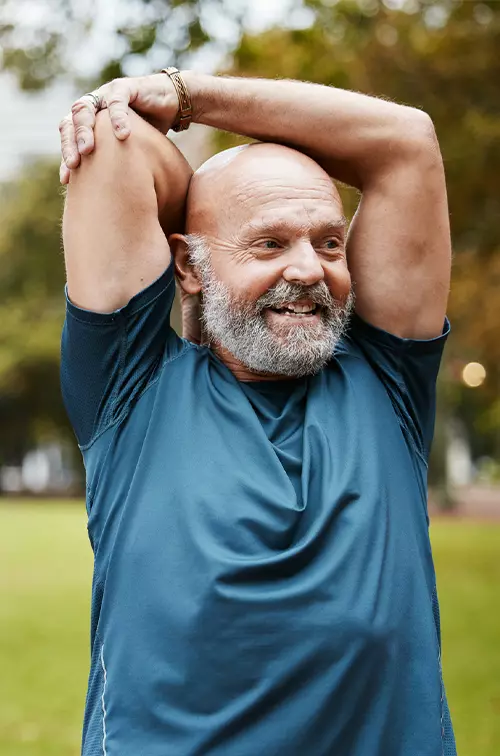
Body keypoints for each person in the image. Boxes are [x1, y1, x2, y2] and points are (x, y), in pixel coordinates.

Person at [58, 68, 456, 756]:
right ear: (187, 266)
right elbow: (115, 147)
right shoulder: (133, 390)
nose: (308, 269)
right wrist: (202, 204)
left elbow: (406, 142)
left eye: (329, 241)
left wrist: (187, 97)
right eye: (269, 243)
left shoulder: (387, 377)